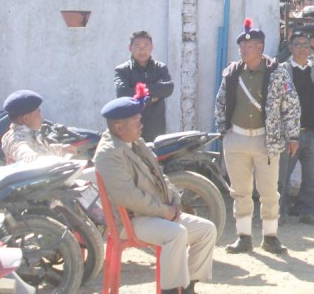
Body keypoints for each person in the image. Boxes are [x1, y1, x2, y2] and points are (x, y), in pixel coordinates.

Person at [94, 96, 216, 294]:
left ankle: (187, 288)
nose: (141, 125)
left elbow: (161, 176)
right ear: (118, 127)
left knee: (206, 230)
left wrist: (175, 202)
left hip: (156, 214)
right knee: (176, 234)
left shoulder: (135, 142)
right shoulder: (109, 154)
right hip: (131, 221)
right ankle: (169, 291)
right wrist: (164, 211)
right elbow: (128, 197)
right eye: (136, 122)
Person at [215, 19, 301, 254]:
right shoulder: (232, 73)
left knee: (268, 191)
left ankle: (270, 236)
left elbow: (291, 105)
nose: (243, 49)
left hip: (266, 139)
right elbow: (221, 102)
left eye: (249, 45)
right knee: (240, 191)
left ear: (260, 48)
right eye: (242, 45)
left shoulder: (277, 72)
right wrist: (224, 132)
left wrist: (292, 136)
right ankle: (243, 236)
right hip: (237, 138)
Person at [280, 25, 314, 226]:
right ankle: (279, 211)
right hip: (289, 134)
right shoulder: (283, 70)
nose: (302, 48)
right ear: (290, 48)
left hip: (312, 131)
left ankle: (306, 210)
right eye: (297, 45)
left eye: (305, 45)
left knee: (311, 175)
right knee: (282, 175)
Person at [114, 31, 174, 142]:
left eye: (146, 46)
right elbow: (123, 93)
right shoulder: (122, 70)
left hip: (156, 127)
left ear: (151, 47)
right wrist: (153, 95)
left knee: (154, 158)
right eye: (137, 46)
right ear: (130, 48)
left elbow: (168, 88)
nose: (142, 50)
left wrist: (141, 91)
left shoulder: (160, 68)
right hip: (130, 128)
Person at [0, 91, 77, 164]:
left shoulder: (31, 133)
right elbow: (20, 148)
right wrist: (28, 155)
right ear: (26, 118)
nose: (42, 117)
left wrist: (61, 149)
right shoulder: (15, 137)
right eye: (38, 112)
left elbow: (41, 150)